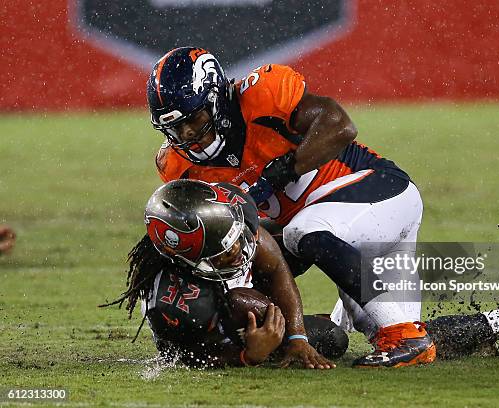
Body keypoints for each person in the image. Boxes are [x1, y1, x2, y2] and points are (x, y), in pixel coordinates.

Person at [147, 47, 431, 367]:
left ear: (216, 98)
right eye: (175, 128)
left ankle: (405, 334)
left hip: (382, 196)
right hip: (343, 237)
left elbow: (339, 125)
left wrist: (284, 171)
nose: (187, 135)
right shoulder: (179, 166)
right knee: (251, 267)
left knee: (303, 231)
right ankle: (488, 324)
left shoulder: (262, 95)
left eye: (194, 120)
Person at [105, 179, 342, 368]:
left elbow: (276, 269)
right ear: (189, 261)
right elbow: (188, 357)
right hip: (213, 331)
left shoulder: (235, 216)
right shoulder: (174, 300)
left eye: (237, 239)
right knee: (333, 338)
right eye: (225, 252)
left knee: (303, 237)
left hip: (234, 291)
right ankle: (270, 327)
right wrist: (248, 355)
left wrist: (297, 337)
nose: (239, 249)